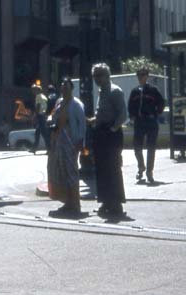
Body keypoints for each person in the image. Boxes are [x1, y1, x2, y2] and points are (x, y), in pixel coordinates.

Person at [88, 63, 127, 219]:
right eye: (95, 76)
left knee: (113, 168)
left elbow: (123, 115)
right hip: (101, 133)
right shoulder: (101, 92)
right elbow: (103, 114)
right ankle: (106, 201)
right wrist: (93, 120)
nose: (97, 79)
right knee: (102, 170)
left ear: (107, 75)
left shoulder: (115, 91)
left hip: (111, 135)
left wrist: (112, 129)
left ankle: (116, 203)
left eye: (99, 75)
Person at [47, 77, 86, 217]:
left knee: (71, 172)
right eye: (62, 87)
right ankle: (67, 202)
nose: (64, 90)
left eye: (67, 87)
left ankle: (75, 204)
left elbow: (82, 125)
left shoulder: (76, 105)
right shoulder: (58, 102)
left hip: (71, 143)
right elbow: (52, 116)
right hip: (58, 142)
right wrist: (50, 120)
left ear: (71, 88)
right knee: (60, 172)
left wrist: (81, 143)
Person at [127, 68, 165, 183]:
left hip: (151, 121)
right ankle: (141, 166)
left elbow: (162, 102)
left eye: (143, 75)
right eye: (138, 75)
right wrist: (132, 116)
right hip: (139, 121)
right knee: (137, 147)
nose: (140, 77)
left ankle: (149, 171)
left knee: (151, 148)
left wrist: (157, 113)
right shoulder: (135, 91)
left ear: (147, 76)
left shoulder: (153, 90)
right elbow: (130, 105)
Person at [31, 83, 49, 154]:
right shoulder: (44, 96)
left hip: (40, 116)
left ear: (37, 90)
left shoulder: (38, 96)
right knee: (38, 133)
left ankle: (49, 148)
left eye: (34, 90)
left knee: (43, 133)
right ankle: (34, 148)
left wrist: (35, 116)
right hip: (43, 115)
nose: (33, 91)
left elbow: (38, 106)